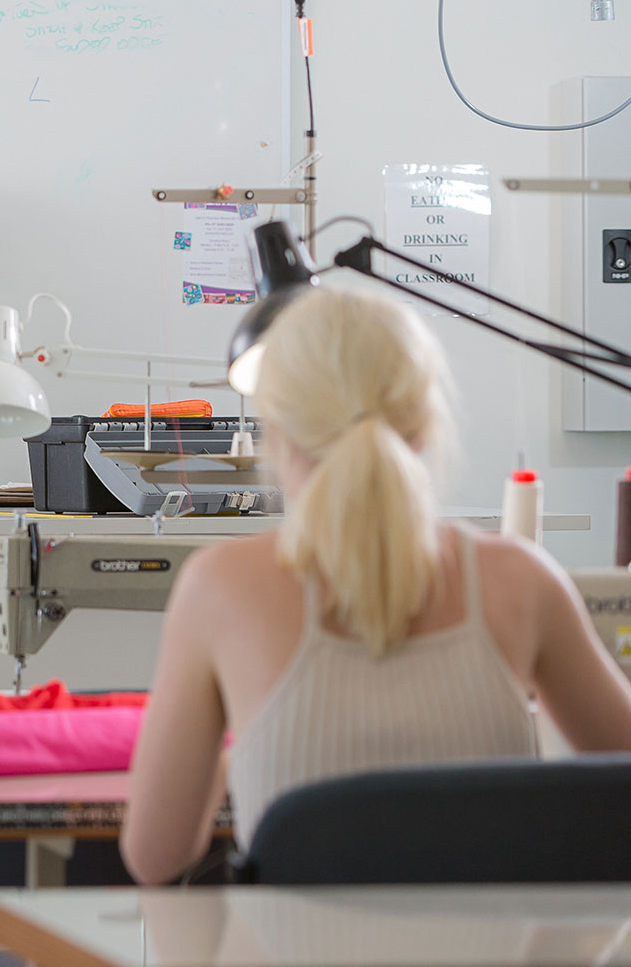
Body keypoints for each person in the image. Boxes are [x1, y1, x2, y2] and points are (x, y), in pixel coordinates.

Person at [121, 287, 631, 885]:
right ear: (424, 424)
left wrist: (245, 760)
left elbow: (156, 856)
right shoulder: (523, 580)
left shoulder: (219, 589)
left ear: (276, 429)